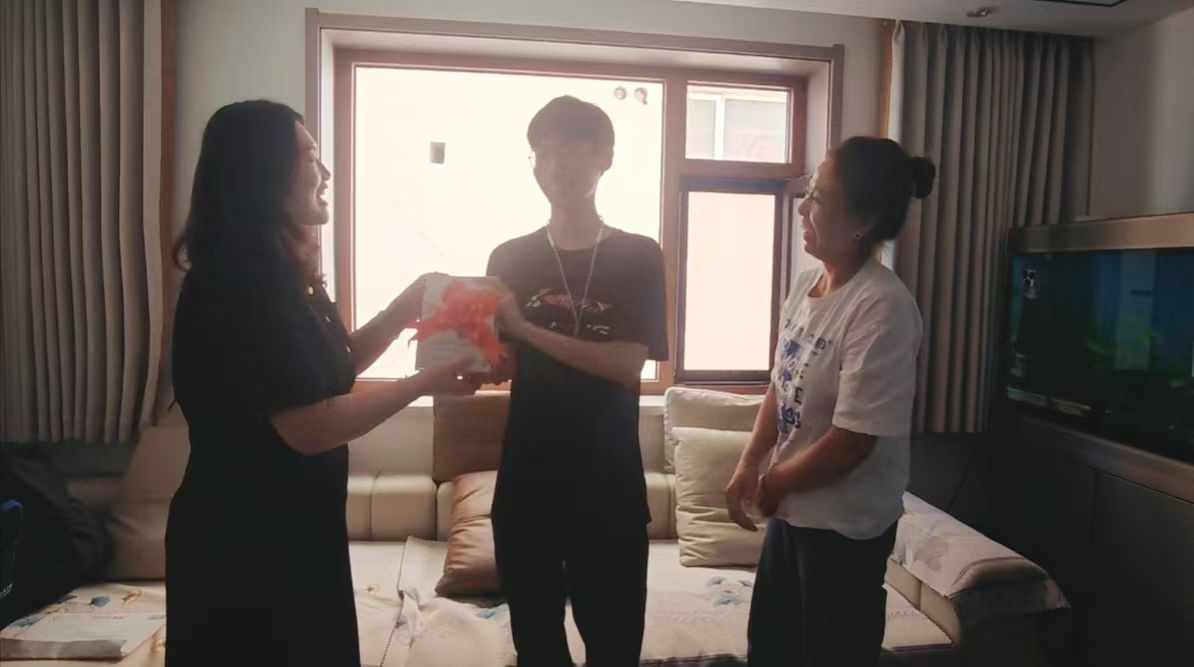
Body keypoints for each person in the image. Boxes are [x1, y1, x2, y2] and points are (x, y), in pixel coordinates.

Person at [167, 100, 474, 666]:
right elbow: (308, 426)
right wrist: (422, 383)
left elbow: (334, 368)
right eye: (310, 157)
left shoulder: (287, 278)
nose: (325, 172)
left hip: (299, 531)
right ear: (264, 173)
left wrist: (405, 307)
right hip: (243, 545)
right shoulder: (233, 286)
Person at [724, 136, 933, 666]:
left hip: (843, 531)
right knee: (769, 652)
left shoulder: (882, 307)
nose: (802, 208)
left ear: (862, 219)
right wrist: (749, 463)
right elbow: (782, 385)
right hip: (793, 515)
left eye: (817, 197)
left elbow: (852, 442)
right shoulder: (806, 287)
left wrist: (774, 483)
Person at [482, 96, 668, 667]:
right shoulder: (508, 258)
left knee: (614, 650)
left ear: (605, 158)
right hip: (526, 489)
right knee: (537, 649)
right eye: (543, 153)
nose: (555, 165)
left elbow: (626, 364)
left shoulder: (639, 256)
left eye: (571, 151)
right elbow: (502, 362)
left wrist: (524, 329)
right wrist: (461, 347)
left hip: (608, 491)